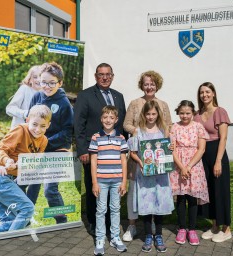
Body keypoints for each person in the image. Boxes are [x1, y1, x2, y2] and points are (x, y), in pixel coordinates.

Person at [0, 105, 52, 235]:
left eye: (43, 126)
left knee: (8, 223)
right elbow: (0, 150)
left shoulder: (44, 141)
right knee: (27, 208)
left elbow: (35, 161)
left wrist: (22, 164)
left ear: (48, 125)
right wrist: (7, 160)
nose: (38, 129)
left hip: (5, 180)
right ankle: (10, 243)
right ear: (27, 120)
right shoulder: (21, 130)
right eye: (35, 124)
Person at [74, 63, 127, 235]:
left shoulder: (118, 96)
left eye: (108, 74)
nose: (105, 77)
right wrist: (82, 150)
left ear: (112, 76)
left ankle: (112, 222)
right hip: (93, 150)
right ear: (96, 76)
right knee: (94, 187)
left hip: (114, 150)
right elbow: (78, 124)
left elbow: (123, 125)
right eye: (101, 74)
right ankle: (94, 222)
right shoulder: (85, 95)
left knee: (113, 186)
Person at [123, 70, 172, 242]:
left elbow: (168, 126)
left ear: (156, 85)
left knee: (155, 190)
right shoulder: (135, 103)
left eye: (152, 83)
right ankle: (132, 225)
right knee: (135, 190)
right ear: (142, 86)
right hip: (139, 155)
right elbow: (126, 124)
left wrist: (165, 143)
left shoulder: (163, 104)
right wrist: (137, 132)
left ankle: (153, 227)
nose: (149, 86)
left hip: (157, 156)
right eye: (146, 84)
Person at [27, 62, 73, 224]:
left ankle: (61, 220)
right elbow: (29, 121)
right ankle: (25, 217)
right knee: (31, 183)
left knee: (50, 190)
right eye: (43, 82)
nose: (47, 86)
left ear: (59, 83)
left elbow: (68, 131)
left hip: (57, 149)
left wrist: (46, 142)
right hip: (37, 148)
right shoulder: (36, 97)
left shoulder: (64, 103)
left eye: (52, 83)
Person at [128, 100, 174, 253]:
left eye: (154, 113)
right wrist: (140, 162)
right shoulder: (138, 131)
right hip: (145, 174)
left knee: (159, 204)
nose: (151, 116)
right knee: (146, 205)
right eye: (148, 114)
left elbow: (168, 150)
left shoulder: (163, 129)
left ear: (158, 114)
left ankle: (158, 235)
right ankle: (148, 235)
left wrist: (170, 147)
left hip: (161, 175)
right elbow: (133, 153)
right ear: (144, 114)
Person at [194, 82, 232, 243]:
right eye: (202, 92)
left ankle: (227, 229)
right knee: (208, 191)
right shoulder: (197, 114)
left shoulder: (220, 112)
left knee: (220, 190)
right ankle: (215, 225)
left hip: (217, 153)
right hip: (202, 154)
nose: (205, 95)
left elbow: (223, 137)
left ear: (214, 93)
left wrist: (218, 161)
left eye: (208, 92)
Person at [89, 106, 128, 255]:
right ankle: (100, 239)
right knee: (101, 210)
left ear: (116, 120)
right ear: (101, 118)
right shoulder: (95, 137)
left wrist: (124, 181)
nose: (108, 120)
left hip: (117, 181)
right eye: (105, 117)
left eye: (111, 118)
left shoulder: (121, 138)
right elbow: (93, 161)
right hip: (101, 181)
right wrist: (94, 182)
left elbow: (124, 161)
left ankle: (115, 237)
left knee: (115, 209)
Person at [169, 100, 209, 246]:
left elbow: (201, 149)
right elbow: (172, 149)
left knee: (192, 198)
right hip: (178, 164)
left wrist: (189, 166)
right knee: (180, 197)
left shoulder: (199, 127)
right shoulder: (174, 127)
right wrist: (182, 167)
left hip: (194, 165)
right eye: (182, 113)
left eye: (187, 113)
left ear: (193, 113)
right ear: (178, 113)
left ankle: (192, 229)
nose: (184, 116)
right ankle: (181, 228)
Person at [6, 65, 41, 129]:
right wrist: (25, 113)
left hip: (35, 133)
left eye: (41, 76)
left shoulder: (45, 93)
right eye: (35, 77)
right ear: (30, 79)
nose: (39, 80)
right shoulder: (25, 89)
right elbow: (9, 109)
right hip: (19, 130)